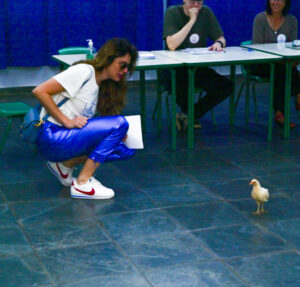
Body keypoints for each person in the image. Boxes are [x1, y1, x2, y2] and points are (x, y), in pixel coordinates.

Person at [32, 38, 138, 200]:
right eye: (122, 65)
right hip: (51, 134)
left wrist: (117, 136)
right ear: (108, 59)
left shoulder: (103, 85)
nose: (125, 71)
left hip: (66, 138)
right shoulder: (84, 71)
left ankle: (63, 165)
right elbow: (40, 91)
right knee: (120, 123)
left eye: (128, 67)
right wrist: (66, 120)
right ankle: (82, 184)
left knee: (126, 148)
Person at [162, 0, 233, 128]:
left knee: (225, 86)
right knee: (181, 86)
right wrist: (192, 21)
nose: (195, 6)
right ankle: (189, 115)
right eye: (192, 2)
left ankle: (190, 115)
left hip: (196, 67)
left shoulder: (206, 12)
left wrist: (218, 43)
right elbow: (172, 45)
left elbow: (221, 38)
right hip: (173, 68)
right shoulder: (172, 12)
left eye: (199, 2)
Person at [250, 0, 300, 127]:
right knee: (281, 70)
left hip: (282, 64)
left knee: (284, 70)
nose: (276, 2)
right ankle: (298, 95)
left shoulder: (292, 20)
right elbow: (257, 48)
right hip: (260, 63)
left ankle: (280, 113)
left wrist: (293, 60)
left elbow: (292, 46)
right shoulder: (260, 18)